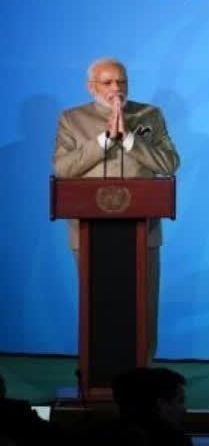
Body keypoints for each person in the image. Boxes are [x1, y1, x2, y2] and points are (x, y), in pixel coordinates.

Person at [52, 57, 180, 357]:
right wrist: (104, 141)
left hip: (142, 230)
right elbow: (63, 168)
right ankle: (95, 371)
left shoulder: (150, 115)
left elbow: (170, 164)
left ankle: (143, 369)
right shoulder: (72, 119)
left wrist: (131, 140)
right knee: (99, 303)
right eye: (107, 82)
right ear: (91, 87)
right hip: (89, 232)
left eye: (121, 81)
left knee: (143, 304)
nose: (116, 88)